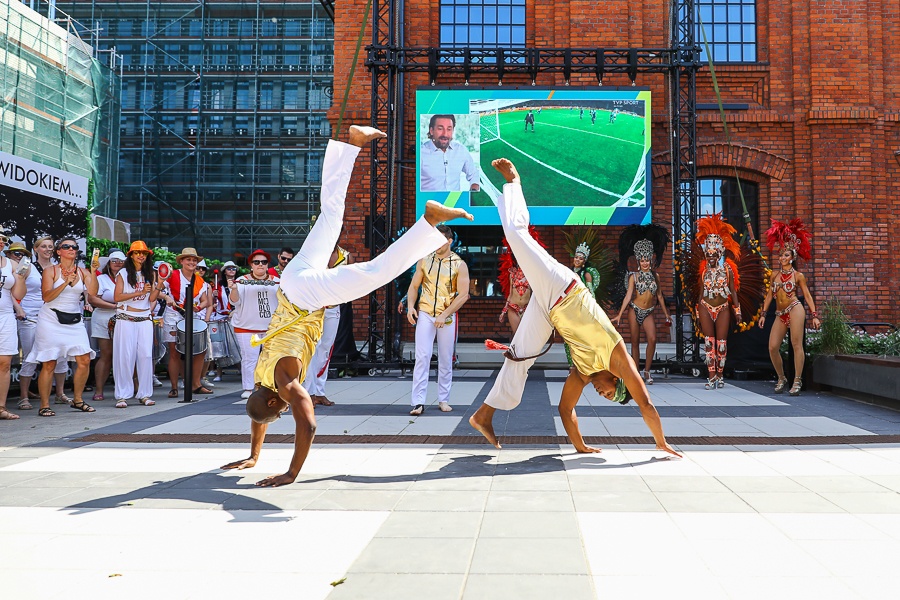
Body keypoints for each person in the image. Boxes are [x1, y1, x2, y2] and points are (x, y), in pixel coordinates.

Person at [220, 125, 474, 486]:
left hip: (306, 297)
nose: (281, 411)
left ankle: (429, 220)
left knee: (376, 272)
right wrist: (254, 455)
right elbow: (258, 413)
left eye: (279, 412)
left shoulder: (283, 384)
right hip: (293, 279)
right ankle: (351, 144)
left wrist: (291, 473)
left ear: (278, 402)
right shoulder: (263, 385)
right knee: (331, 216)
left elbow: (306, 422)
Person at [468, 158, 680, 459]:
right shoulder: (618, 358)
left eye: (604, 397)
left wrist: (580, 446)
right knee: (518, 236)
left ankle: (484, 415)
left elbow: (566, 410)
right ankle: (513, 183)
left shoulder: (583, 372)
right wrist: (660, 441)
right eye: (609, 392)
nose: (602, 394)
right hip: (562, 287)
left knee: (520, 355)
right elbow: (645, 404)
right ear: (616, 379)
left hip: (549, 309)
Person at [25, 237, 99, 416]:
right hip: (50, 319)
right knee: (49, 362)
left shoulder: (83, 271)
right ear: (59, 251)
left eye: (74, 247)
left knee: (84, 359)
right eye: (67, 246)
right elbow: (47, 297)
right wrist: (66, 282)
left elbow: (94, 293)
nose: (71, 249)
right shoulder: (50, 271)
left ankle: (78, 399)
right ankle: (44, 405)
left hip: (73, 319)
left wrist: (94, 272)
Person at [406, 224, 470, 416]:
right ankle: (417, 402)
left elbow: (463, 295)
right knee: (422, 356)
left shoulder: (459, 264)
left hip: (447, 315)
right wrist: (410, 306)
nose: (436, 245)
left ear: (449, 241)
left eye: (440, 241)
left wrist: (444, 314)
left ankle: (443, 399)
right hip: (425, 312)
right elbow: (413, 286)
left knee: (445, 358)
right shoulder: (424, 260)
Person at [759, 219, 820, 395]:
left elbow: (807, 295)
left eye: (786, 255)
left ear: (792, 257)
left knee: (796, 344)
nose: (782, 258)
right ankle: (781, 377)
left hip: (795, 308)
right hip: (780, 312)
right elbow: (770, 294)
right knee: (772, 347)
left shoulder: (799, 276)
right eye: (780, 255)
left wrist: (814, 315)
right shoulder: (774, 275)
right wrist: (763, 313)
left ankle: (797, 380)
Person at [612, 225, 672, 384]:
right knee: (635, 341)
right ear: (639, 261)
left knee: (652, 339)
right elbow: (627, 297)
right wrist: (619, 314)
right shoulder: (634, 276)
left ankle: (647, 371)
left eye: (647, 260)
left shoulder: (655, 276)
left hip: (649, 312)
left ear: (651, 260)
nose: (645, 263)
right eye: (643, 260)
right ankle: (636, 371)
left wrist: (666, 314)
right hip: (634, 310)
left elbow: (659, 295)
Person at [17, 236, 69, 406]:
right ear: (36, 249)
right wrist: (19, 308)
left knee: (60, 355)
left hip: (53, 316)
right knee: (31, 356)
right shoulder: (27, 267)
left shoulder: (58, 269)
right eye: (44, 246)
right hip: (30, 316)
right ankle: (23, 396)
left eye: (50, 247)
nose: (48, 249)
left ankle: (59, 393)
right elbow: (14, 287)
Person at [112, 241, 162, 407]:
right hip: (126, 317)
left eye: (144, 253)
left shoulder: (151, 273)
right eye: (137, 252)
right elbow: (117, 297)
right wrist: (140, 292)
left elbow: (152, 298)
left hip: (144, 318)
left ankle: (145, 394)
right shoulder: (123, 273)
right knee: (125, 356)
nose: (141, 255)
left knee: (146, 356)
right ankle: (122, 395)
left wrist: (159, 285)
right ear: (131, 255)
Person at [160, 247, 212, 397]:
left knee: (200, 351)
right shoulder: (172, 275)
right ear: (182, 261)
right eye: (188, 259)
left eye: (194, 260)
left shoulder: (199, 280)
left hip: (192, 316)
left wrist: (199, 307)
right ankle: (174, 387)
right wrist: (166, 298)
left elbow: (205, 301)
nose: (192, 262)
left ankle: (196, 383)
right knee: (175, 352)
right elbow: (158, 290)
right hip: (174, 315)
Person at [302, 244, 350, 406]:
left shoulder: (346, 256)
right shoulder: (314, 253)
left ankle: (320, 392)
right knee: (313, 348)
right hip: (314, 307)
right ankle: (309, 393)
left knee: (326, 349)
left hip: (333, 307)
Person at [229, 249, 279, 399]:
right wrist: (233, 289)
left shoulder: (277, 282)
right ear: (251, 265)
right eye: (256, 262)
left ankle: (269, 386)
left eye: (263, 262)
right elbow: (234, 301)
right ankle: (249, 388)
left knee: (271, 359)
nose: (260, 265)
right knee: (249, 358)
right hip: (246, 326)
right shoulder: (241, 281)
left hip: (271, 327)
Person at [88, 250, 126, 401]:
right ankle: (99, 389)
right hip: (104, 317)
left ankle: (128, 388)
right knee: (106, 354)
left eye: (121, 260)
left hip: (126, 317)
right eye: (114, 260)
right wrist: (114, 306)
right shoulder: (101, 278)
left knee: (125, 354)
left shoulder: (130, 278)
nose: (117, 263)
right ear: (109, 263)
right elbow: (93, 299)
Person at [497, 227, 545, 335]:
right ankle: (516, 352)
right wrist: (504, 311)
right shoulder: (512, 273)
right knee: (517, 335)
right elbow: (510, 293)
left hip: (527, 307)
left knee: (526, 336)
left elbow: (537, 293)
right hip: (513, 307)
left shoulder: (532, 273)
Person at [0, 232, 28, 420]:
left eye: (3, 240)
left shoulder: (11, 264)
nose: (1, 242)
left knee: (4, 363)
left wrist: (20, 278)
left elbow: (18, 293)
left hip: (5, 316)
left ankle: (1, 407)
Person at [419, 114, 480, 192]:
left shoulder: (460, 150)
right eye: (440, 129)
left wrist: (474, 189)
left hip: (453, 202)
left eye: (449, 129)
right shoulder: (421, 153)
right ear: (431, 131)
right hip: (428, 202)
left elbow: (474, 174)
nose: (445, 134)